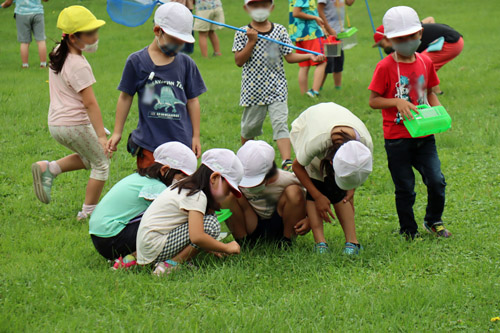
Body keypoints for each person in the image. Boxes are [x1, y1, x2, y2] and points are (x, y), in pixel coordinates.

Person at [368, 6, 451, 240]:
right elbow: (373, 101)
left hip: (424, 135)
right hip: (397, 138)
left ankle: (433, 220)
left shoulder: (425, 62)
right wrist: (396, 102)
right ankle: (408, 230)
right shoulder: (384, 67)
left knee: (436, 180)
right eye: (399, 38)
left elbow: (431, 92)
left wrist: (439, 113)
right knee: (405, 188)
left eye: (411, 37)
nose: (406, 41)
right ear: (390, 40)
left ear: (420, 34)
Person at [31, 6, 109, 220]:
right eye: (90, 33)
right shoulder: (79, 65)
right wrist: (101, 136)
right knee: (101, 163)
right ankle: (88, 214)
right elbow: (90, 104)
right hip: (74, 125)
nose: (95, 37)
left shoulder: (58, 52)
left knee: (89, 157)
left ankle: (51, 168)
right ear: (73, 38)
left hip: (57, 125)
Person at [107, 2, 206, 169]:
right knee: (151, 190)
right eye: (174, 41)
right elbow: (125, 97)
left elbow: (192, 100)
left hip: (181, 144)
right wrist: (117, 132)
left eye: (182, 42)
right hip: (149, 145)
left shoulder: (187, 64)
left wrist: (195, 136)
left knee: (179, 190)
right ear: (157, 31)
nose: (178, 47)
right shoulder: (136, 62)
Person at [233, 0, 325, 171]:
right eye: (254, 5)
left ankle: (287, 161)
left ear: (271, 7)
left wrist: (308, 57)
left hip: (277, 88)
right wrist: (251, 42)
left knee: (280, 123)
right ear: (246, 8)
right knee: (249, 128)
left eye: (264, 4)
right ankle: (246, 158)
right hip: (253, 90)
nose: (259, 9)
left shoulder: (280, 31)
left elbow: (289, 56)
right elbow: (239, 61)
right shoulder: (241, 33)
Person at [89, 142, 197, 269]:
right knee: (174, 221)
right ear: (164, 170)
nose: (183, 183)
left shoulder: (141, 178)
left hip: (101, 237)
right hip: (113, 238)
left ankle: (128, 258)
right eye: (181, 177)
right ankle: (154, 258)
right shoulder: (157, 187)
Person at [136, 148, 244, 276]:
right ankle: (170, 265)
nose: (228, 195)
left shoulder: (186, 186)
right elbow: (197, 237)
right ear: (214, 178)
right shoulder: (197, 195)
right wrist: (226, 247)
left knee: (207, 223)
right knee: (210, 225)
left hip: (149, 245)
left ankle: (172, 260)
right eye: (228, 190)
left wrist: (211, 246)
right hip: (154, 246)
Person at [290, 102, 373, 255]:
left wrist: (351, 187)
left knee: (340, 193)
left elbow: (356, 170)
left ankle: (352, 241)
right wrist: (318, 196)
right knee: (316, 180)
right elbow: (297, 167)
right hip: (307, 127)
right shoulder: (315, 142)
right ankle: (321, 244)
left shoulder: (364, 145)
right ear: (331, 161)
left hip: (331, 122)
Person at [222, 140, 310, 248]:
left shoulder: (287, 179)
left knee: (294, 192)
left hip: (280, 222)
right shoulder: (234, 180)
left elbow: (314, 197)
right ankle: (243, 243)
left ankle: (286, 242)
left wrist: (310, 220)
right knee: (227, 195)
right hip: (251, 222)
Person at [372, 21, 463, 95]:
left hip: (451, 41)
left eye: (383, 44)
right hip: (454, 40)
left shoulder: (407, 36)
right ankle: (434, 92)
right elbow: (430, 19)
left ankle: (433, 93)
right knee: (424, 66)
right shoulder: (409, 30)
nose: (385, 48)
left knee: (422, 66)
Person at [289, 0, 328, 98]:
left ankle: (304, 94)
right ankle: (314, 92)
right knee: (322, 61)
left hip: (299, 34)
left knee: (304, 65)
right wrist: (315, 17)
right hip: (311, 34)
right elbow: (296, 13)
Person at [317, 0, 355, 90]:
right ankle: (317, 88)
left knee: (339, 60)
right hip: (328, 33)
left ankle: (338, 88)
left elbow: (349, 3)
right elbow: (319, 10)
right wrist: (328, 28)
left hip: (338, 32)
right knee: (327, 62)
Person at [1, 0, 48, 68]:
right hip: (37, 13)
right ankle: (43, 64)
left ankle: (25, 65)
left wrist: (4, 5)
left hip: (21, 14)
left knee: (24, 42)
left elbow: (9, 2)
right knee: (41, 40)